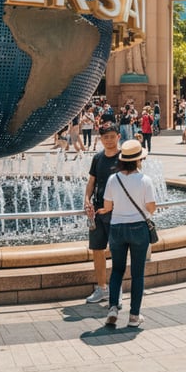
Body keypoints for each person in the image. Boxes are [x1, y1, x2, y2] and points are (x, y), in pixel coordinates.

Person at [98, 139, 156, 328]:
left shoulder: (113, 179)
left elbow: (108, 206)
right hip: (139, 228)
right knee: (137, 274)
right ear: (139, 160)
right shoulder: (145, 180)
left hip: (117, 228)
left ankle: (113, 308)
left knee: (117, 270)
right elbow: (151, 207)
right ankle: (134, 316)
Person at [84, 122, 121, 304]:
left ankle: (116, 291)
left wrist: (113, 205)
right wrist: (86, 200)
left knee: (117, 251)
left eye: (112, 136)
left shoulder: (124, 159)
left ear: (118, 137)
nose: (109, 140)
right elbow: (92, 182)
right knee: (97, 249)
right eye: (105, 137)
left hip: (118, 213)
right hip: (98, 211)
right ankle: (101, 288)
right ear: (100, 139)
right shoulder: (98, 158)